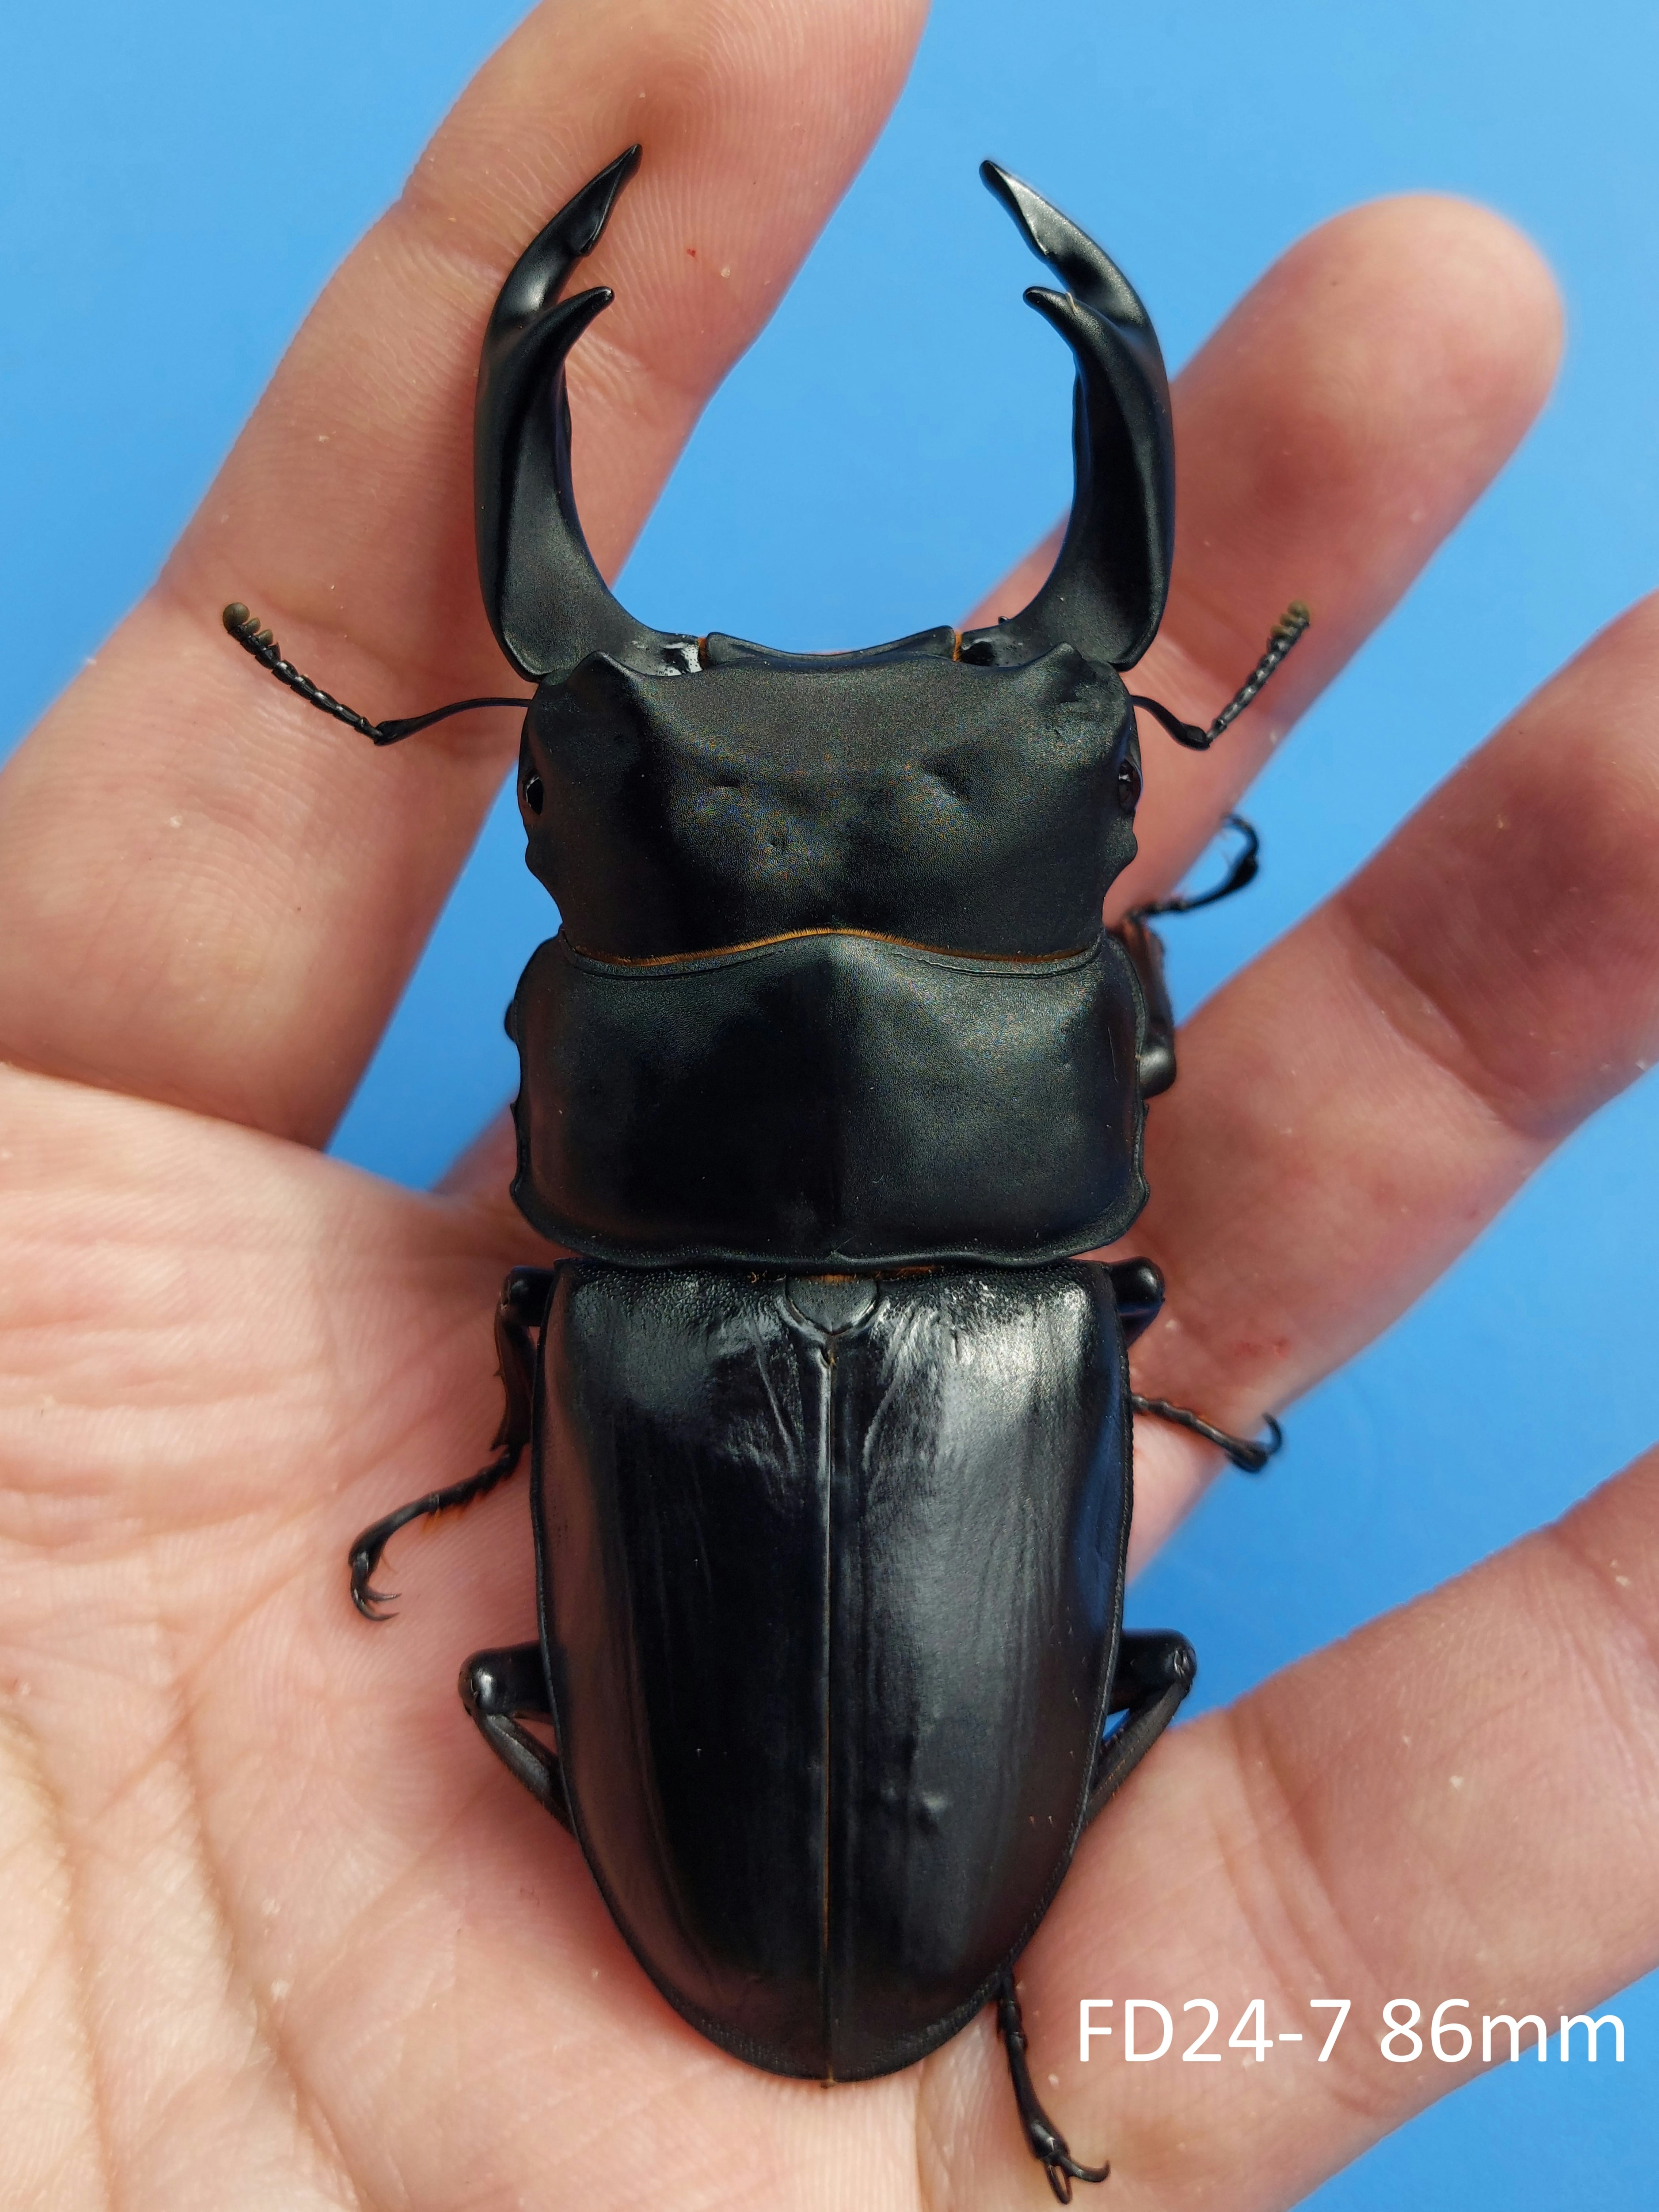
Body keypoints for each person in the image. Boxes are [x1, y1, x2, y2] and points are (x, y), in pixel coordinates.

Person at [0, 0, 1654, 2203]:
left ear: (585, 1067)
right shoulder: (1052, 1296)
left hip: (761, 1656)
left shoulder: (595, 1304)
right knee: (1120, 1660)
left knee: (536, 1651)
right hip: (906, 1673)